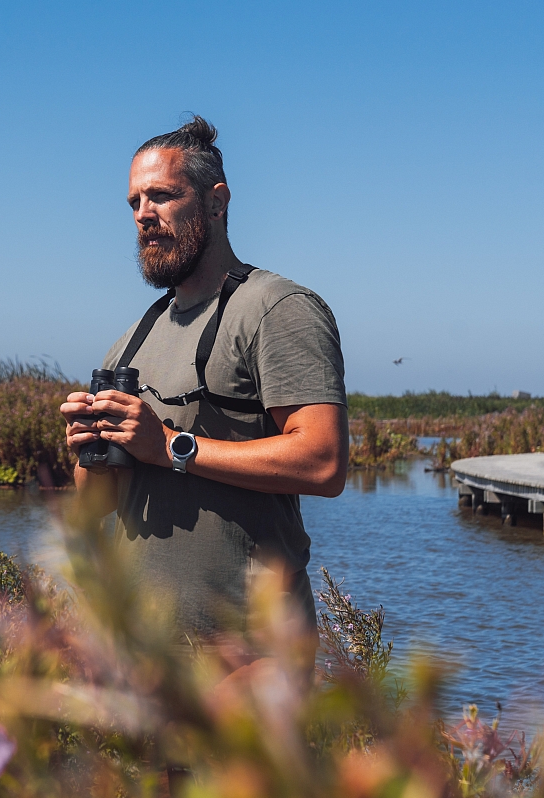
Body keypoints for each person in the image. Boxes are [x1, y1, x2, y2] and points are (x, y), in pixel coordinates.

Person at [60, 114, 348, 664]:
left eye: (163, 196)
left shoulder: (277, 310)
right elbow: (94, 504)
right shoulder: (129, 343)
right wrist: (90, 448)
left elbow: (324, 463)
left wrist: (167, 446)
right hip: (146, 658)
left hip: (250, 654)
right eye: (134, 203)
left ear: (217, 202)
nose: (145, 215)